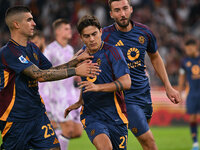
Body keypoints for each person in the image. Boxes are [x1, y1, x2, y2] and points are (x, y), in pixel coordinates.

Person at [0, 6, 100, 150]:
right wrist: (76, 70)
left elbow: (49, 70)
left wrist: (75, 61)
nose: (34, 23)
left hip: (37, 114)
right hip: (16, 118)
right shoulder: (9, 52)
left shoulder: (32, 48)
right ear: (16, 24)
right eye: (29, 20)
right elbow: (39, 75)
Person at [101, 0, 182, 150]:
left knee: (137, 141)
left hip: (144, 94)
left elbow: (155, 57)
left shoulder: (144, 32)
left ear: (131, 9)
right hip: (124, 98)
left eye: (125, 8)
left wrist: (168, 86)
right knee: (149, 142)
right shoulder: (103, 35)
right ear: (111, 14)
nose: (122, 14)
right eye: (117, 10)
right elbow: (83, 55)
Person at [65, 15, 131, 150]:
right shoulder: (81, 55)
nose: (91, 39)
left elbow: (126, 83)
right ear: (81, 37)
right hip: (92, 115)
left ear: (101, 32)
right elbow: (86, 82)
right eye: (87, 36)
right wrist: (80, 101)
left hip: (116, 115)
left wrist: (97, 87)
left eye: (94, 34)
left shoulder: (113, 52)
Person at [39, 18, 83, 150]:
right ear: (58, 31)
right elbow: (42, 73)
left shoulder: (70, 49)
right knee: (67, 129)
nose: (70, 31)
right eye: (66, 28)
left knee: (77, 131)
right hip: (56, 96)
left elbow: (69, 71)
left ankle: (47, 142)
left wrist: (76, 75)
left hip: (70, 94)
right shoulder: (50, 50)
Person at [178, 39, 200, 150]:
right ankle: (195, 143)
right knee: (192, 118)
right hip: (192, 94)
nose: (188, 50)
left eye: (190, 48)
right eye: (186, 49)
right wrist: (180, 94)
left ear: (195, 47)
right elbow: (182, 78)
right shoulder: (184, 61)